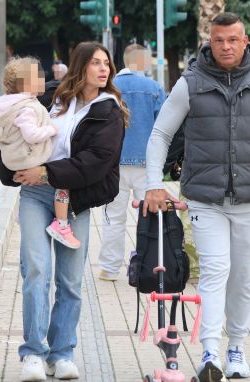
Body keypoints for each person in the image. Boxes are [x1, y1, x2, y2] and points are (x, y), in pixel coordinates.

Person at [143, 12, 250, 382]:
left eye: (233, 40)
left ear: (245, 41)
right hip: (206, 200)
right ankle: (209, 352)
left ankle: (236, 348)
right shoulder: (190, 83)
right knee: (215, 270)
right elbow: (160, 135)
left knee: (243, 279)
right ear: (210, 41)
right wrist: (153, 184)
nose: (226, 47)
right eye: (219, 40)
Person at [0, 42, 128, 382]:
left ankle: (62, 352)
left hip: (74, 199)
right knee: (36, 270)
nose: (104, 69)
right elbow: (11, 130)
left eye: (107, 63)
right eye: (96, 63)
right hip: (35, 194)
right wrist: (12, 169)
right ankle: (33, 353)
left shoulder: (109, 112)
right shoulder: (49, 98)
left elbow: (96, 162)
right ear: (80, 66)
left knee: (69, 280)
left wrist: (46, 172)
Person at [0, 57, 80, 249]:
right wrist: (51, 130)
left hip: (15, 158)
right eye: (38, 77)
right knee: (63, 180)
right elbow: (31, 134)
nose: (43, 79)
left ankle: (26, 214)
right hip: (29, 157)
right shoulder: (28, 107)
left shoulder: (10, 103)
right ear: (25, 83)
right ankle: (61, 224)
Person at [98, 44, 165, 281]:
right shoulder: (154, 88)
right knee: (148, 217)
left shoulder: (108, 88)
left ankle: (109, 268)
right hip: (147, 165)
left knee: (113, 217)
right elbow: (163, 127)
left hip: (113, 164)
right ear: (144, 61)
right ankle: (148, 266)